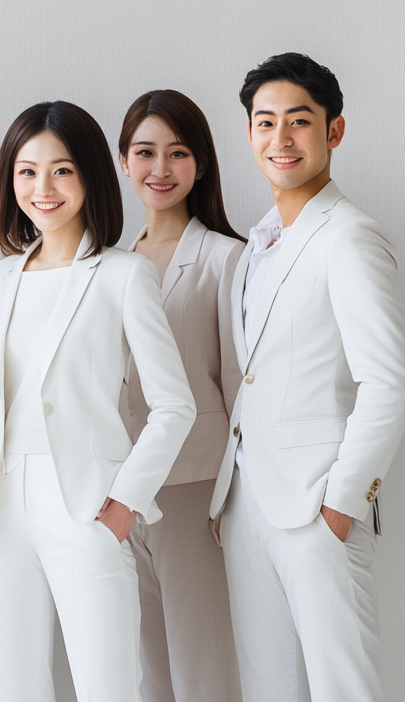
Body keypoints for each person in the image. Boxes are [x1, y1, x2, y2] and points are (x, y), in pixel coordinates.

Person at [0, 101, 196, 702]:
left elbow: (175, 406)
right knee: (13, 687)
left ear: (88, 174)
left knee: (107, 687)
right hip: (0, 514)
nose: (43, 187)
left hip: (86, 506)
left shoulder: (123, 274)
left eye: (61, 170)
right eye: (27, 171)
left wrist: (122, 507)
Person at [207, 53, 405, 702]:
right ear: (248, 135)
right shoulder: (256, 245)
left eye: (299, 121)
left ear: (335, 131)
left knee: (343, 689)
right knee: (267, 687)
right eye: (265, 122)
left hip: (318, 507)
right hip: (245, 503)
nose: (281, 138)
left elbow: (392, 383)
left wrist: (342, 504)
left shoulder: (350, 237)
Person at [118, 90, 245, 701]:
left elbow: (242, 390)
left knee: (202, 666)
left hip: (197, 492)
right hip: (123, 492)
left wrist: (229, 500)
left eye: (178, 153)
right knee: (148, 671)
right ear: (123, 162)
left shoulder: (226, 260)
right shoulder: (111, 265)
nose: (160, 169)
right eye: (145, 152)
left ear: (201, 165)